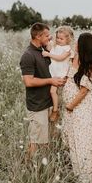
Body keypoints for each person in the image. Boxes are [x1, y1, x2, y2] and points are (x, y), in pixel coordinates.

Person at [62, 32, 92, 183]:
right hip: (71, 110)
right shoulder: (74, 58)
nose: (75, 43)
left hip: (82, 109)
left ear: (84, 45)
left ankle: (86, 182)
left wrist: (70, 106)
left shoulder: (91, 64)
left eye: (78, 42)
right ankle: (76, 176)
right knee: (72, 140)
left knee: (84, 142)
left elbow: (84, 91)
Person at [20, 22, 66, 157]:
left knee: (47, 141)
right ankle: (28, 168)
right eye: (46, 35)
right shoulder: (28, 55)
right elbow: (28, 81)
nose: (50, 37)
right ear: (38, 36)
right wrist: (51, 81)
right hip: (38, 105)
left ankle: (44, 168)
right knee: (35, 142)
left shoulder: (43, 50)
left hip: (49, 102)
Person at [42, 26, 74, 122]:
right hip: (53, 72)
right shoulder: (55, 46)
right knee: (53, 92)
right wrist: (50, 39)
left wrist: (48, 54)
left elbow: (60, 58)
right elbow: (47, 45)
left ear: (68, 39)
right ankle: (56, 108)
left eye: (62, 38)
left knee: (53, 91)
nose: (59, 40)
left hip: (60, 73)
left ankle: (55, 110)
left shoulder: (68, 49)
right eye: (58, 38)